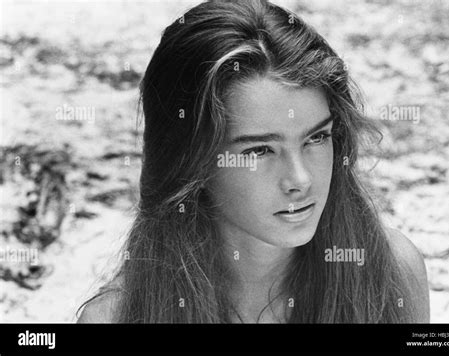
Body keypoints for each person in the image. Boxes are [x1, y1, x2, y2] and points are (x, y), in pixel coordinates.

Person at [77, 0, 429, 323]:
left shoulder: (392, 271)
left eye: (316, 138)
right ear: (191, 162)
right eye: (259, 150)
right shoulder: (116, 318)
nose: (300, 179)